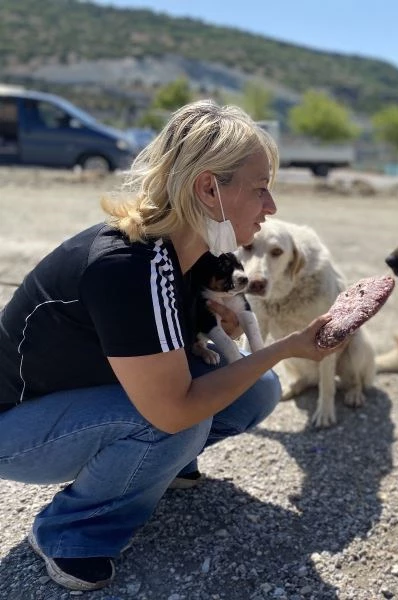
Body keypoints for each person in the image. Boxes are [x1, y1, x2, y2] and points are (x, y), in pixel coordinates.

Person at [0, 100, 344, 591]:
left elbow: (163, 345)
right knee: (176, 423)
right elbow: (173, 409)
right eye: (261, 188)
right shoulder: (128, 266)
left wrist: (211, 328)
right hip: (14, 425)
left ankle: (145, 471)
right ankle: (69, 532)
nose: (271, 207)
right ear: (209, 188)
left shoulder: (180, 254)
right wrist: (286, 347)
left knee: (257, 388)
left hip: (79, 397)